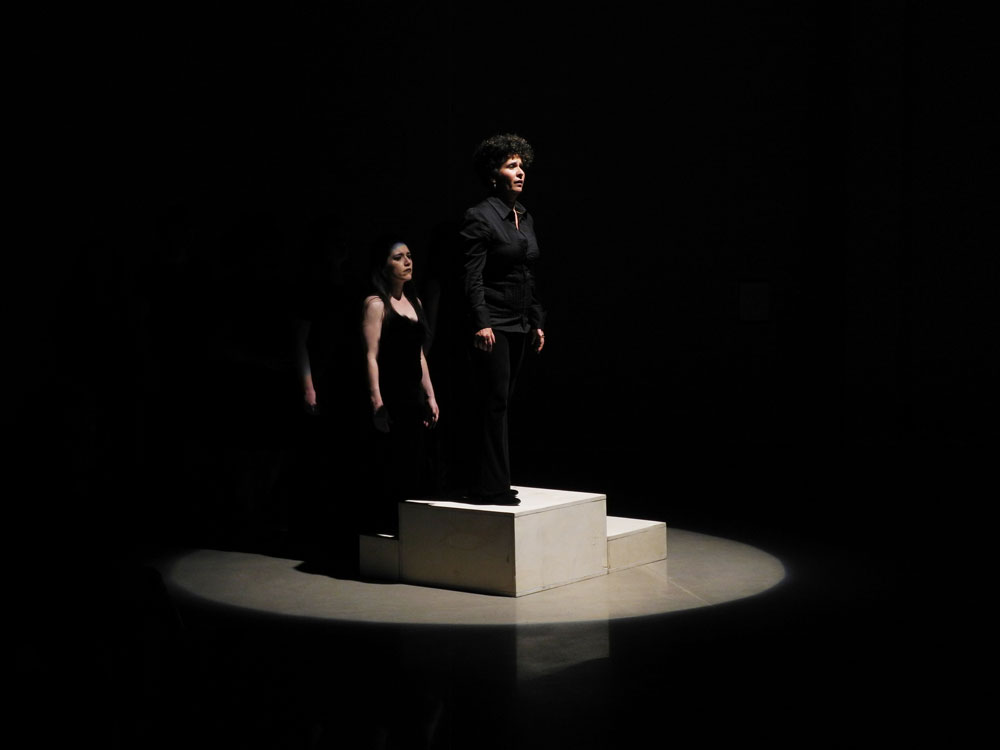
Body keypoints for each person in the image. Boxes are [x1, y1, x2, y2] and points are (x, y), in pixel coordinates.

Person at [459, 133, 546, 505]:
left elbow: (527, 273)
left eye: (522, 165)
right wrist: (481, 321)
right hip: (493, 321)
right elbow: (472, 276)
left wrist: (537, 319)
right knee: (493, 400)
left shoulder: (524, 216)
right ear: (494, 174)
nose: (520, 172)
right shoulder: (480, 216)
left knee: (504, 402)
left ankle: (494, 479)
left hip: (519, 320)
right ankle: (488, 486)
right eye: (512, 166)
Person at [361, 237, 440, 532]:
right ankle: (386, 526)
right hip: (391, 395)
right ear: (383, 266)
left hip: (411, 397)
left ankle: (408, 530)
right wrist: (377, 401)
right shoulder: (375, 305)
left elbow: (419, 355)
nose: (407, 262)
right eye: (398, 257)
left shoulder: (414, 302)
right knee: (389, 462)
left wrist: (430, 395)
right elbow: (371, 356)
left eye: (409, 255)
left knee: (413, 462)